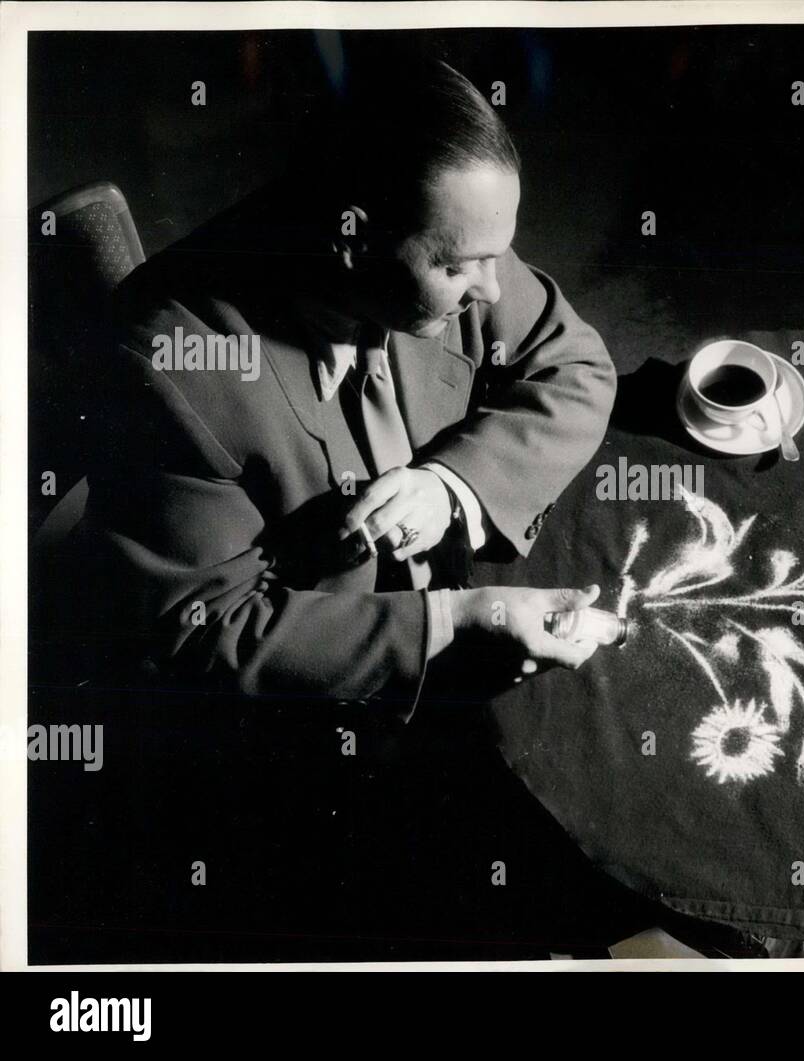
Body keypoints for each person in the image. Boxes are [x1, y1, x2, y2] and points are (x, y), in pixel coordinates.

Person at [73, 61, 658, 958]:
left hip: (446, 608)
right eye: (461, 265)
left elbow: (576, 366)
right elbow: (204, 629)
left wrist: (452, 484)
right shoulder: (178, 366)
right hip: (313, 721)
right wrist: (456, 620)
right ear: (352, 243)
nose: (493, 291)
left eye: (499, 254)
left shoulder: (450, 248)